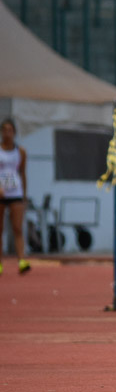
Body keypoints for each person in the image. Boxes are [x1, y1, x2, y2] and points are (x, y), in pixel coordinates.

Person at [0, 117, 30, 275]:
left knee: (17, 227)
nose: (7, 133)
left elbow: (22, 173)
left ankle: (22, 260)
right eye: (4, 130)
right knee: (0, 229)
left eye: (10, 130)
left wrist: (24, 195)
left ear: (15, 133)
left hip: (15, 192)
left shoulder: (21, 152)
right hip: (1, 192)